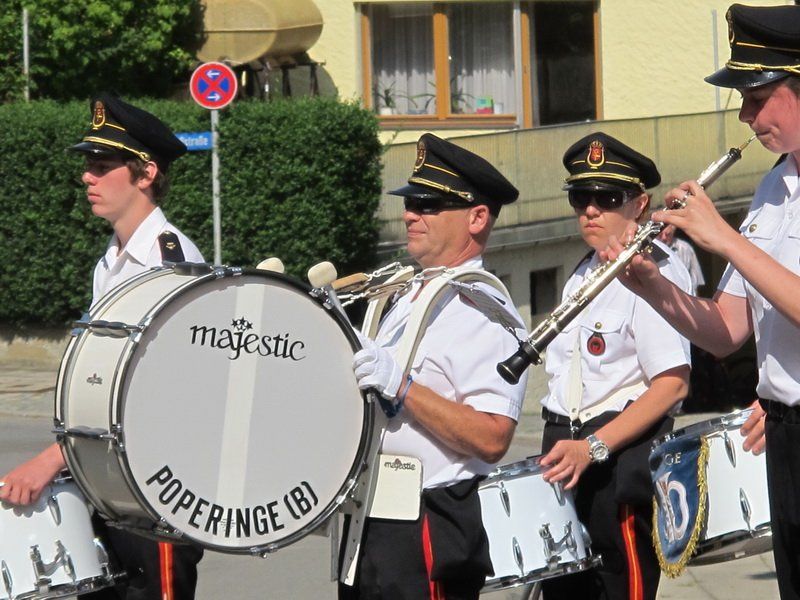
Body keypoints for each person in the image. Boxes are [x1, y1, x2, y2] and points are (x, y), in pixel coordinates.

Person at [604, 5, 800, 598]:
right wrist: (651, 285)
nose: (744, 114)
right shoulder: (774, 186)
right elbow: (725, 331)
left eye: (757, 96)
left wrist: (723, 238)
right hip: (784, 433)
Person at [0, 93, 205, 600]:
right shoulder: (113, 260)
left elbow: (159, 395)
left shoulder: (168, 264)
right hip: (116, 487)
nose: (87, 176)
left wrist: (53, 459)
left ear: (146, 173)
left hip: (158, 494)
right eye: (88, 164)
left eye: (102, 165)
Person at [341, 133, 528, 599]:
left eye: (428, 205)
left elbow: (492, 437)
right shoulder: (408, 294)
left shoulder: (483, 310)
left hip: (429, 516)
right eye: (411, 203)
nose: (410, 214)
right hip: (374, 514)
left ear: (476, 217)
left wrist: (402, 387)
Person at [538, 132, 692, 600]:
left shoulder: (653, 270)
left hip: (615, 459)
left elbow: (671, 385)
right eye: (580, 197)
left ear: (640, 204)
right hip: (567, 451)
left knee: (619, 588)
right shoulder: (583, 271)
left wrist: (593, 448)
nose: (590, 209)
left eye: (606, 198)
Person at [657, 224, 705, 295]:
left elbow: (696, 280)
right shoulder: (649, 249)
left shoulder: (686, 249)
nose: (664, 238)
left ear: (673, 232)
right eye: (660, 235)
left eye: (668, 234)